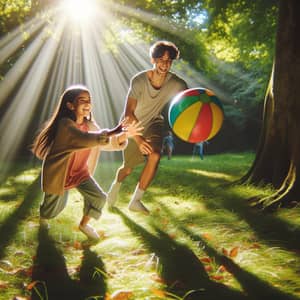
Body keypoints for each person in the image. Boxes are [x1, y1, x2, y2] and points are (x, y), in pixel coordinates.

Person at [32, 85, 143, 240]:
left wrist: (124, 136)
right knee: (52, 211)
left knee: (99, 198)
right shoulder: (65, 124)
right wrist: (113, 131)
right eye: (82, 100)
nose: (87, 104)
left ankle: (84, 225)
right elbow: (84, 139)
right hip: (60, 175)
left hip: (80, 173)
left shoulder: (90, 125)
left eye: (89, 100)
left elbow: (105, 142)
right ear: (70, 105)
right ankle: (43, 219)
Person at [106, 41, 188, 214]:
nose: (164, 64)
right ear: (153, 59)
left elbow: (190, 102)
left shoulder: (177, 84)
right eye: (161, 59)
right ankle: (115, 186)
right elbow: (128, 113)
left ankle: (136, 201)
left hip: (154, 122)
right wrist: (138, 138)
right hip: (132, 125)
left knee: (155, 155)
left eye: (169, 60)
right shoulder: (139, 80)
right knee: (127, 169)